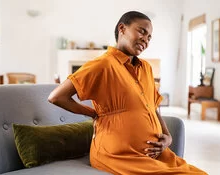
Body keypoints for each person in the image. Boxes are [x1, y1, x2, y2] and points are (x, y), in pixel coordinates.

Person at [48, 11, 207, 175]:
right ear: (122, 28)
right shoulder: (102, 65)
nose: (146, 39)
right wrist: (93, 113)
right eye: (142, 31)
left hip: (154, 154)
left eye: (150, 37)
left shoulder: (146, 68)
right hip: (117, 155)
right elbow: (56, 97)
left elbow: (153, 106)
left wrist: (168, 136)